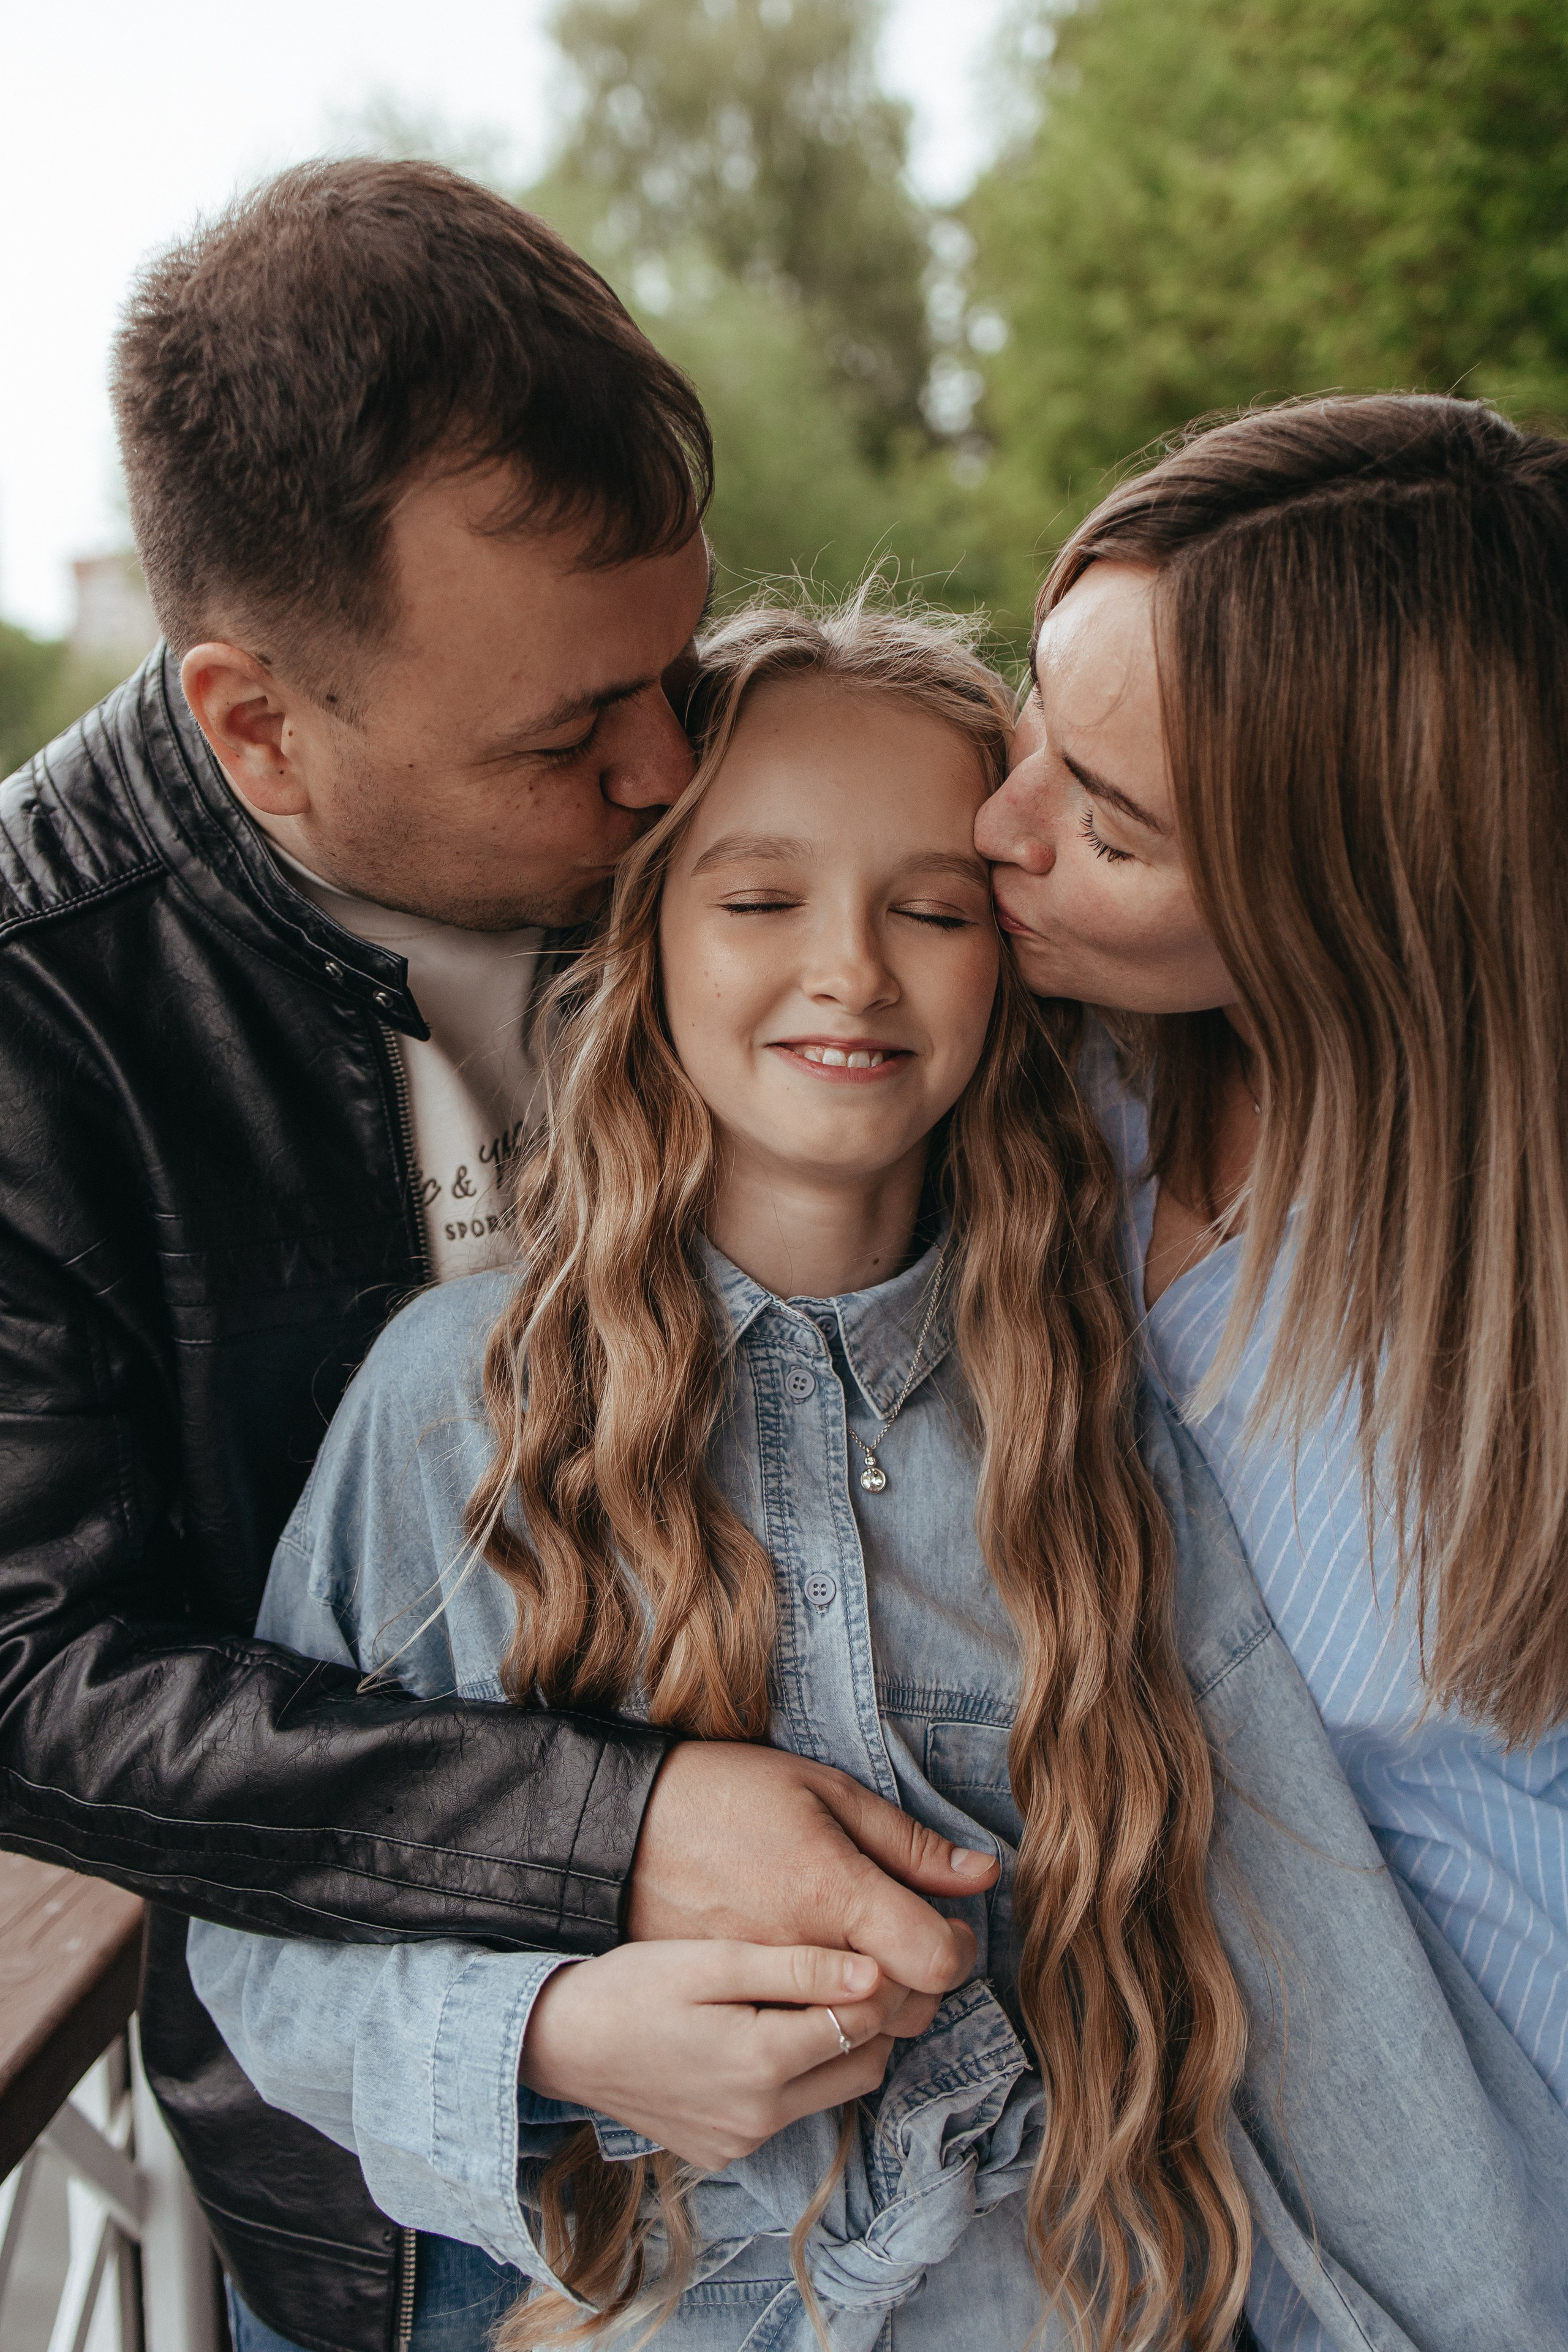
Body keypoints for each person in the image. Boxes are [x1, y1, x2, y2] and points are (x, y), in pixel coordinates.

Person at [0, 160, 992, 2352]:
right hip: (426, 2202)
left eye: (680, 662)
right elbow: (29, 1683)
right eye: (572, 737)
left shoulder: (739, 803)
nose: (671, 764)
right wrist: (608, 1844)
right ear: (258, 723)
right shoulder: (37, 1015)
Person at [190, 594, 1257, 2351]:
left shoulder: (1098, 1409)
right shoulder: (456, 1410)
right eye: (762, 900)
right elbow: (261, 1935)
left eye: (932, 908)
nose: (852, 967)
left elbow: (1305, 1943)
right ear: (651, 941)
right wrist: (552, 2036)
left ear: (1012, 958)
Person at [978, 392, 1568, 2347]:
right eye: (1034, 722)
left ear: (1357, 904)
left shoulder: (1509, 1324)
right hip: (1124, 2210)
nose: (1006, 828)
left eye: (1111, 822)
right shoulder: (1068, 1093)